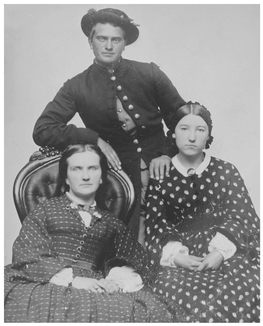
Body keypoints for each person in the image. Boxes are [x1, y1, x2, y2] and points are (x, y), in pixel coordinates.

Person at [32, 8, 186, 243]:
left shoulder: (149, 73)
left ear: (125, 44)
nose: (108, 46)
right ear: (90, 41)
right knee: (127, 242)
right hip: (118, 174)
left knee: (181, 234)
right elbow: (43, 129)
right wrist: (92, 138)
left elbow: (181, 118)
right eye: (101, 38)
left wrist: (166, 153)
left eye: (116, 40)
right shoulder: (76, 86)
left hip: (164, 166)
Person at [4, 144, 174, 323]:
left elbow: (135, 260)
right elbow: (28, 254)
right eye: (77, 169)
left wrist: (116, 282)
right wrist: (73, 280)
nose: (85, 176)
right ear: (67, 178)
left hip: (96, 286)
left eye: (92, 169)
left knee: (144, 309)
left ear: (101, 177)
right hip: (48, 281)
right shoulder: (45, 210)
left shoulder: (112, 223)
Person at [144, 102, 260, 322]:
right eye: (184, 128)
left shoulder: (226, 170)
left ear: (209, 136)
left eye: (200, 129)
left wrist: (220, 252)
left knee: (245, 287)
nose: (191, 137)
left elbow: (243, 215)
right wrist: (177, 257)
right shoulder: (161, 174)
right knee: (178, 296)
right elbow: (155, 223)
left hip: (228, 251)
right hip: (181, 258)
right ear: (173, 134)